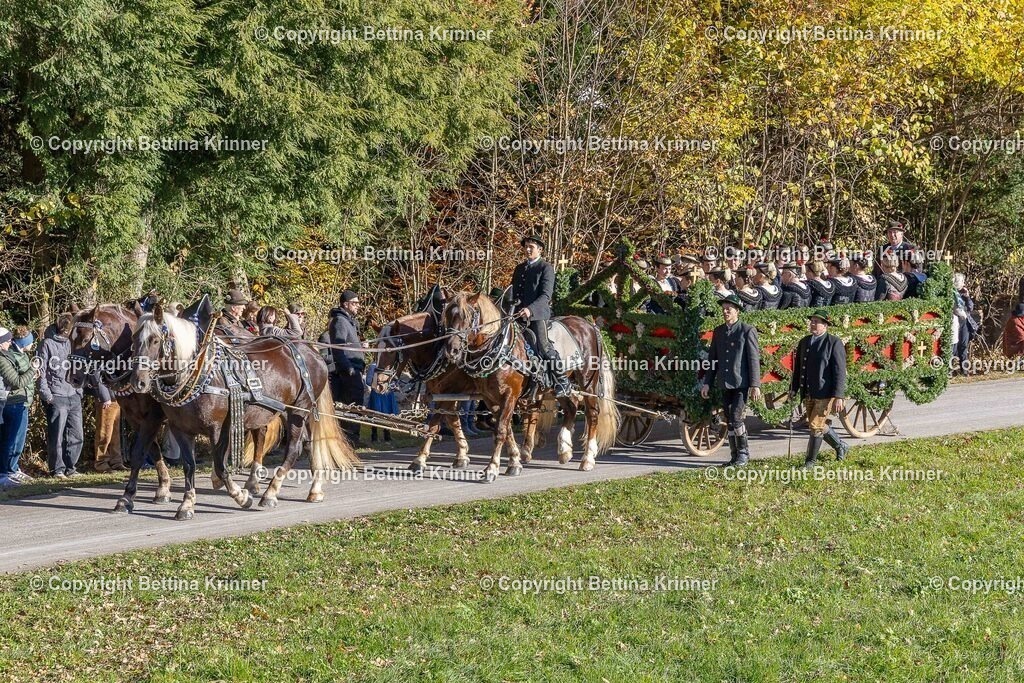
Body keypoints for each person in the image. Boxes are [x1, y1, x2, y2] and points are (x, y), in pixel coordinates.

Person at [700, 294, 761, 467]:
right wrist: (707, 382)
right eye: (724, 309)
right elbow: (713, 359)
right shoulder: (719, 331)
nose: (726, 312)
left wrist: (755, 384)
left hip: (741, 383)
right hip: (724, 382)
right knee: (728, 416)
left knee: (736, 416)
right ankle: (734, 456)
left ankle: (743, 454)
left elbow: (753, 359)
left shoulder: (747, 330)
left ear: (737, 311)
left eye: (729, 309)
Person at [511, 235, 570, 397]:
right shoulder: (519, 268)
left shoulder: (546, 268)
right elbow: (513, 292)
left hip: (537, 315)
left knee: (544, 346)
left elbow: (546, 296)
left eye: (531, 246)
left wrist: (530, 309)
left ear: (540, 249)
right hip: (516, 315)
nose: (528, 249)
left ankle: (562, 381)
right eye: (526, 246)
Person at [790, 309, 849, 468]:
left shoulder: (834, 343)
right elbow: (798, 369)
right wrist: (794, 389)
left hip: (825, 392)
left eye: (817, 321)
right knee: (818, 424)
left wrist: (839, 396)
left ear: (825, 325)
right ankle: (840, 446)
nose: (813, 323)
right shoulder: (804, 342)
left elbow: (839, 371)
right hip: (808, 391)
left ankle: (810, 462)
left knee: (815, 426)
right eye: (812, 321)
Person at [36, 313, 85, 478]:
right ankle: (57, 469)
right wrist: (47, 395)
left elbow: (79, 367)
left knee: (77, 434)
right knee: (57, 435)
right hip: (56, 395)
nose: (67, 332)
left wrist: (79, 391)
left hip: (74, 395)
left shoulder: (72, 342)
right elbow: (40, 372)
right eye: (66, 330)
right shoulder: (46, 344)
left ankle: (71, 468)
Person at [328, 290, 366, 444]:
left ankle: (353, 438)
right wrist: (348, 368)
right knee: (350, 404)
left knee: (356, 403)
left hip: (354, 368)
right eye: (355, 303)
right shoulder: (340, 321)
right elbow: (338, 348)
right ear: (346, 304)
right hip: (348, 371)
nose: (358, 306)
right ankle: (349, 439)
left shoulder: (349, 321)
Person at [0, 327, 36, 488]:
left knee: (16, 439)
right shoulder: (2, 359)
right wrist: (33, 370)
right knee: (8, 440)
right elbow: (17, 382)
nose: (10, 342)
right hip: (9, 402)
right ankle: (5, 472)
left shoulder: (7, 355)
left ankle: (12, 469)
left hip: (19, 401)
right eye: (7, 340)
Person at [83, 370, 125, 472]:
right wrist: (104, 396)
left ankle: (116, 461)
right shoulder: (102, 355)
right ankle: (101, 462)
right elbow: (96, 373)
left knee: (115, 432)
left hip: (116, 395)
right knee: (104, 432)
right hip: (106, 398)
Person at [365, 363, 399, 443]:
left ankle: (384, 436)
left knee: (384, 414)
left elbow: (395, 380)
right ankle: (376, 436)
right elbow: (368, 381)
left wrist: (390, 385)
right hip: (379, 394)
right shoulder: (374, 366)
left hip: (385, 394)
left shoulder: (390, 366)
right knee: (375, 414)